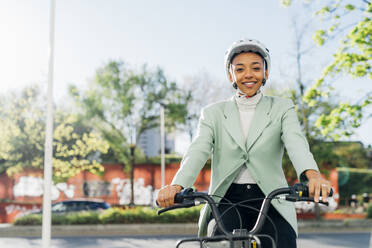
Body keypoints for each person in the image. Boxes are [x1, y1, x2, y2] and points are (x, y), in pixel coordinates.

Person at [157, 38, 332, 247]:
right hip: (225, 198)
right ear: (231, 75)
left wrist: (313, 177)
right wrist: (177, 186)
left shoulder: (282, 108)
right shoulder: (212, 113)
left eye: (256, 68)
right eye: (240, 69)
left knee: (282, 241)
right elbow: (198, 150)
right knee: (215, 242)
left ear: (266, 73)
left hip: (271, 197)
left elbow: (296, 144)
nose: (248, 75)